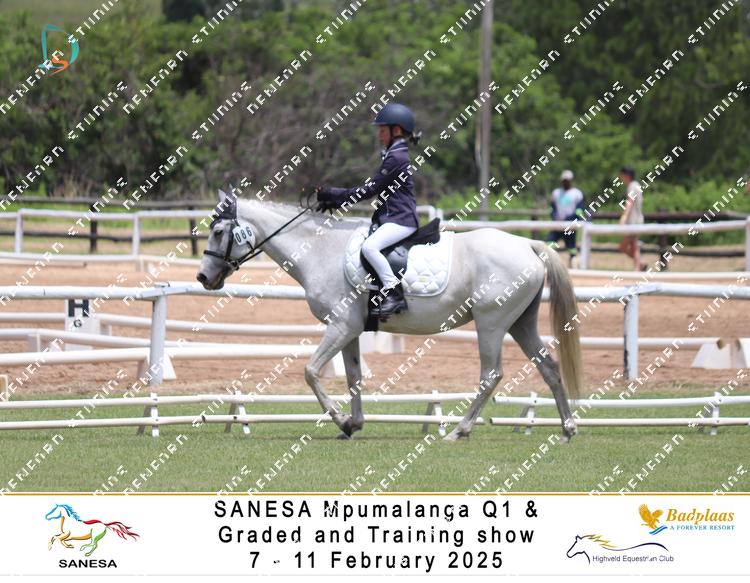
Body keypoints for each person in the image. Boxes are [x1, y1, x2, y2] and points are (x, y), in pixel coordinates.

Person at [315, 103, 420, 318]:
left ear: (396, 130)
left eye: (382, 130)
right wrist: (335, 202)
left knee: (370, 247)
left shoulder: (396, 158)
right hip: (394, 217)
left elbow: (369, 190)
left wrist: (333, 195)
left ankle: (393, 292)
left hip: (401, 219)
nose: (379, 135)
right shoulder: (394, 153)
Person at [546, 169, 585, 264]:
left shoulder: (577, 193)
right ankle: (547, 263)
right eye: (564, 180)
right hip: (558, 224)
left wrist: (571, 219)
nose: (565, 182)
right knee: (549, 243)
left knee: (571, 246)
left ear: (571, 181)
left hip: (570, 225)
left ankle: (573, 263)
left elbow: (579, 210)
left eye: (567, 180)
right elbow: (552, 208)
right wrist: (554, 216)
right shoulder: (556, 193)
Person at [618, 165, 645, 270]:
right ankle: (640, 265)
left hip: (634, 221)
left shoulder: (632, 186)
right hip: (637, 220)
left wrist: (624, 217)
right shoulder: (637, 185)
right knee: (633, 245)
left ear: (627, 175)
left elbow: (630, 201)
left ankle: (639, 266)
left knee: (625, 246)